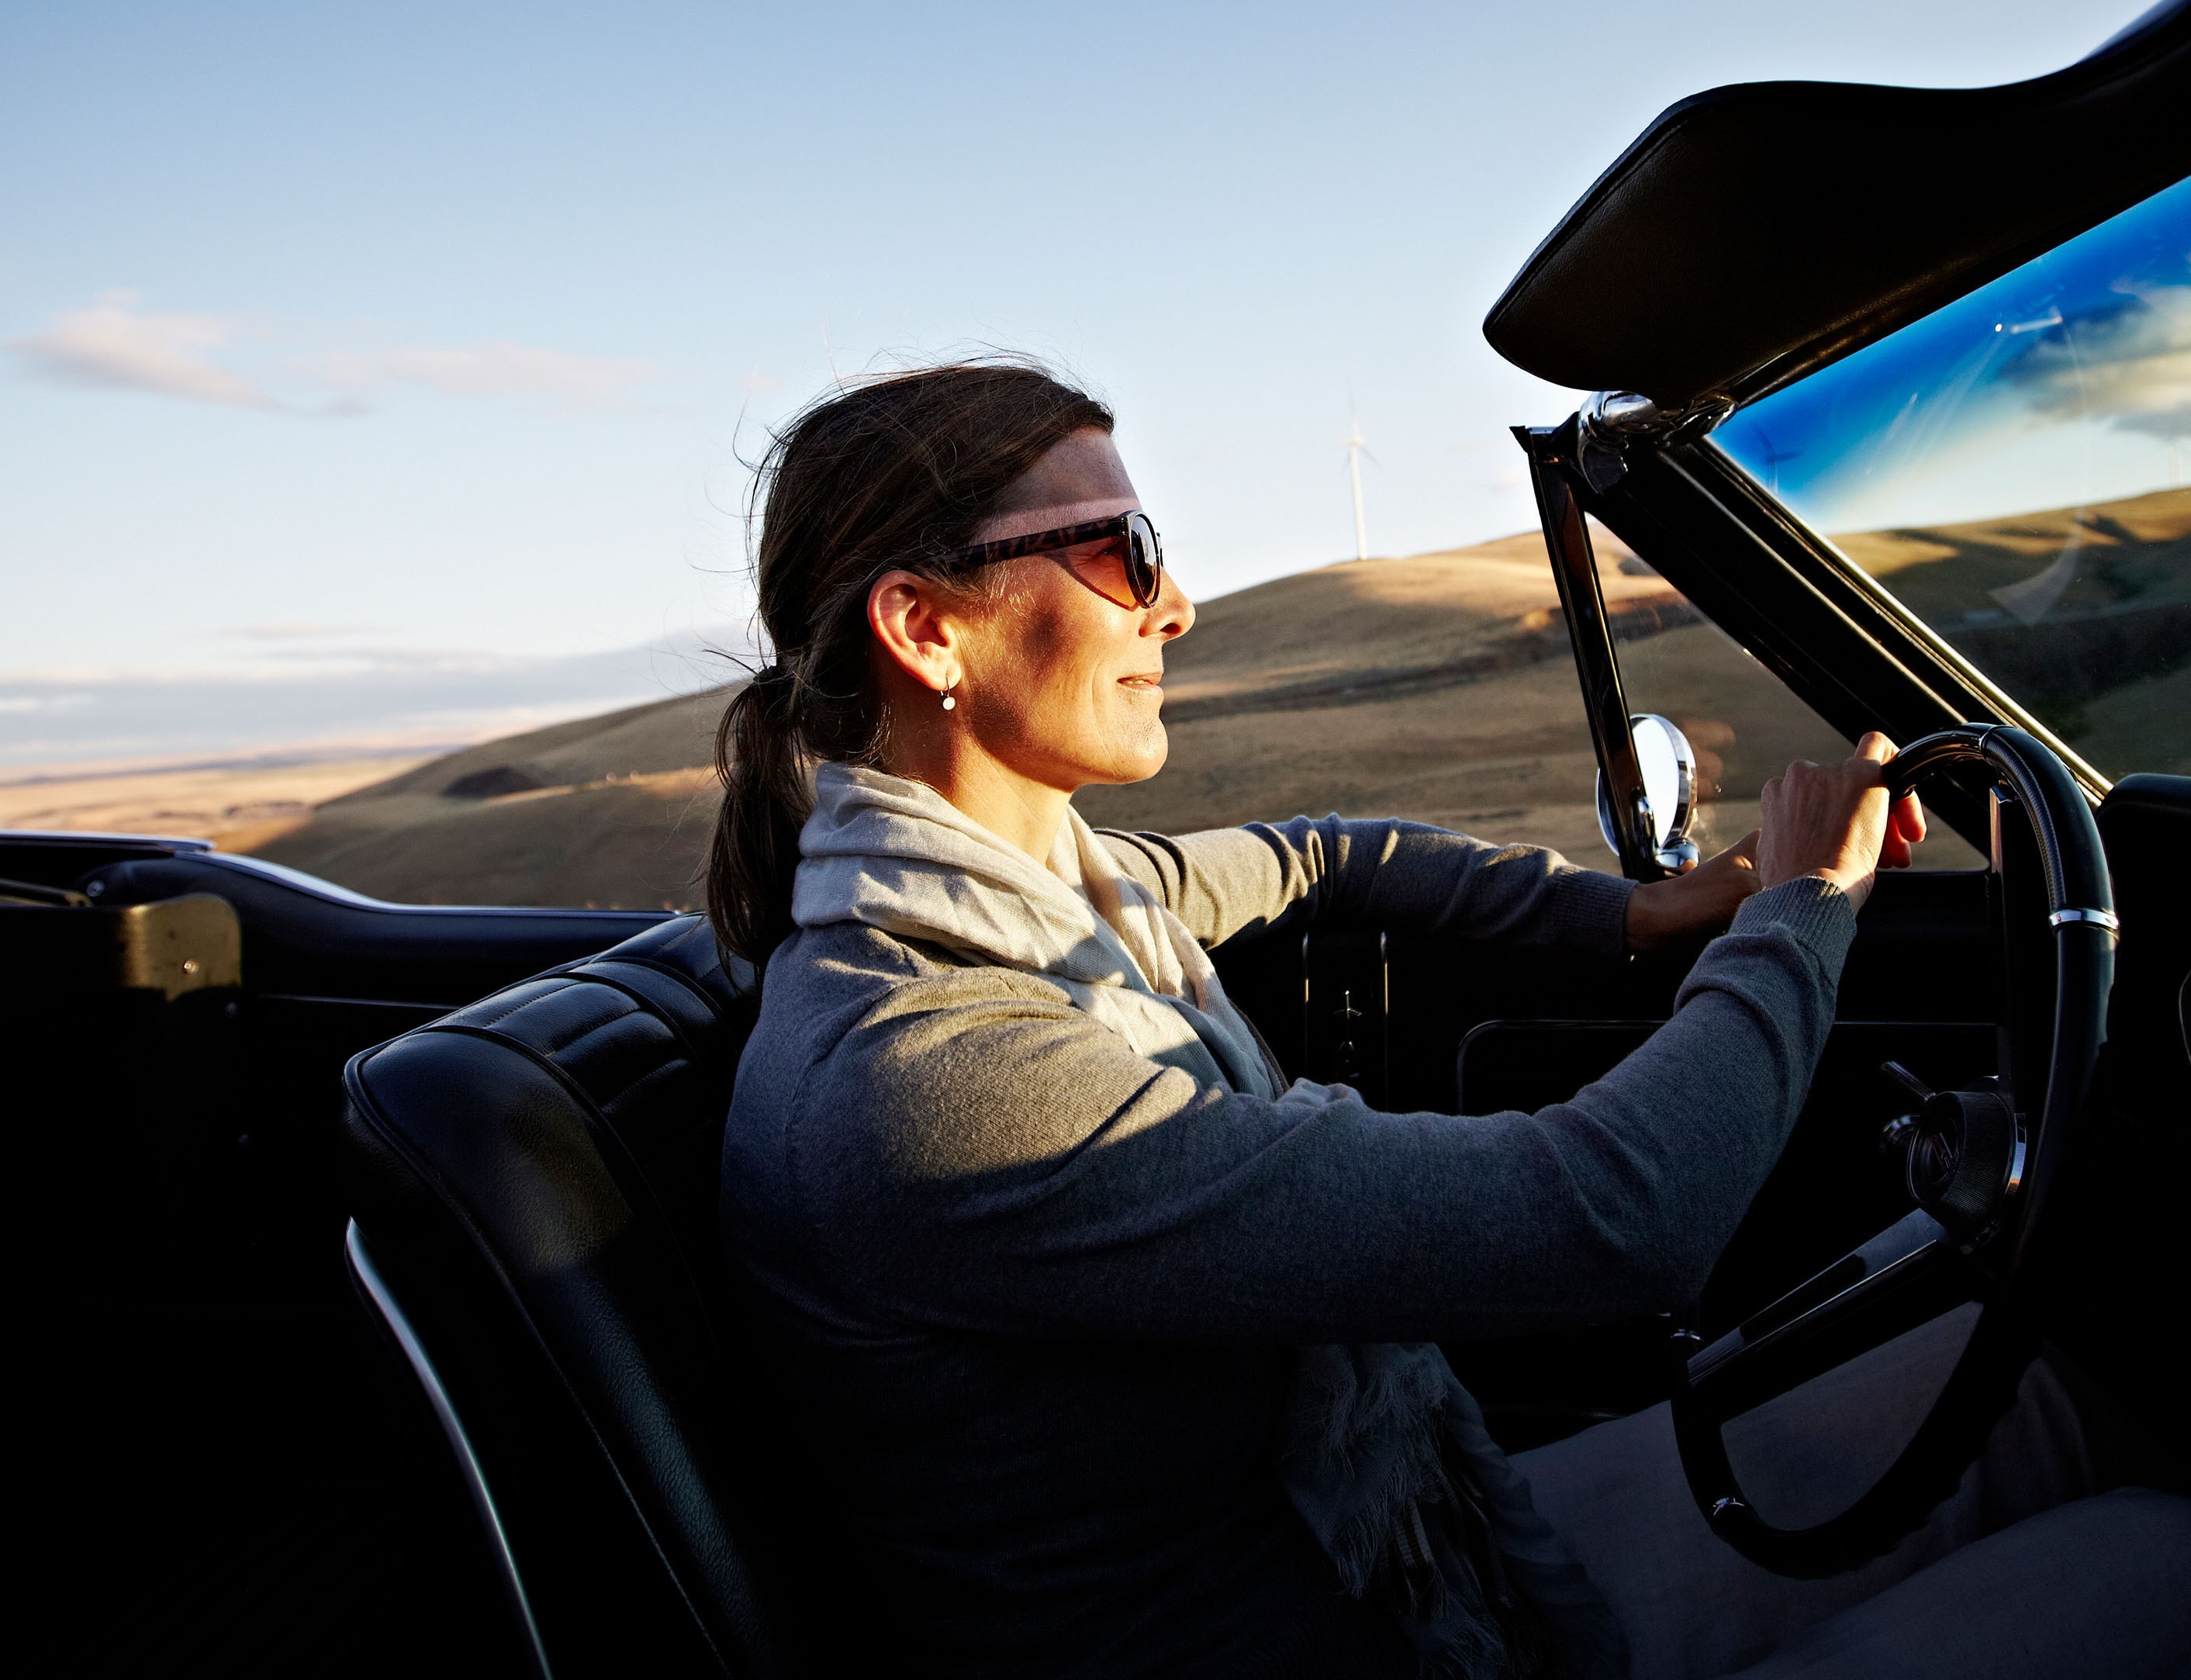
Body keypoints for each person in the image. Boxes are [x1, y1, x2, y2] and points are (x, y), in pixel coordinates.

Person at [712, 359, 2190, 1679]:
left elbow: (1326, 855)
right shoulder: (930, 1067)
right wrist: (1803, 912)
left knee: (2052, 1389)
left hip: (1404, 1547)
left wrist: (1639, 913)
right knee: (2152, 1561)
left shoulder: (1069, 895)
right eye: (1119, 549)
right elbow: (1617, 1216)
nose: (1174, 601)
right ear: (926, 628)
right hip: (1339, 1624)